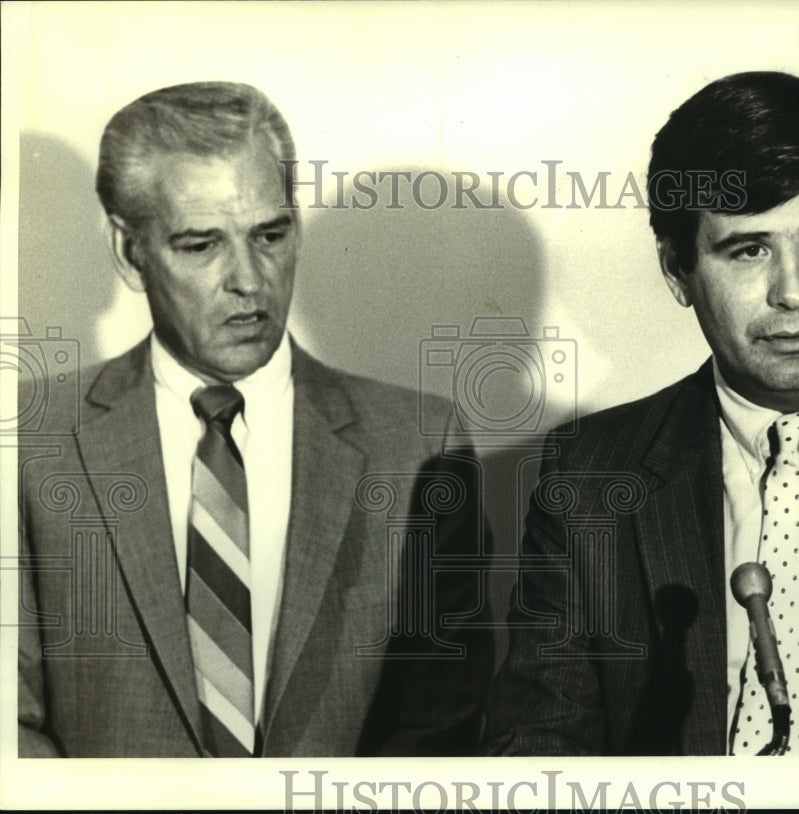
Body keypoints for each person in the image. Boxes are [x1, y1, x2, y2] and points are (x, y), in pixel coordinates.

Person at [482, 71, 799, 755]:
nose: (793, 293)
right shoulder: (590, 476)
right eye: (749, 250)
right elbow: (536, 753)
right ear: (676, 271)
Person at [18, 81, 492, 757]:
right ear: (129, 252)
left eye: (269, 234)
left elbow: (439, 727)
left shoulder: (420, 443)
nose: (249, 279)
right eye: (200, 245)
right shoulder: (31, 441)